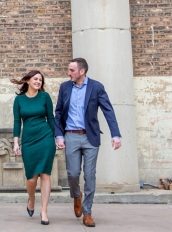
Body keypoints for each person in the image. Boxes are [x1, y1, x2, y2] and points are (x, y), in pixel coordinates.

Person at [54, 58, 121, 228]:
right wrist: (59, 135)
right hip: (70, 135)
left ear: (81, 71)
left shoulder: (96, 87)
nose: (69, 73)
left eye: (71, 70)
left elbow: (108, 110)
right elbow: (59, 112)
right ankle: (77, 195)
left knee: (90, 175)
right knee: (73, 174)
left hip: (90, 137)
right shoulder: (65, 87)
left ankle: (87, 212)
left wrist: (116, 134)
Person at [12, 70, 57, 226]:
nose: (38, 82)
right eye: (36, 79)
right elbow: (17, 122)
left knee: (45, 174)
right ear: (28, 81)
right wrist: (16, 142)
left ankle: (44, 211)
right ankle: (31, 199)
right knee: (31, 178)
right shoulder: (19, 100)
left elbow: (51, 118)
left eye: (40, 80)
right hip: (29, 141)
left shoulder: (45, 97)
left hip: (45, 138)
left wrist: (57, 137)